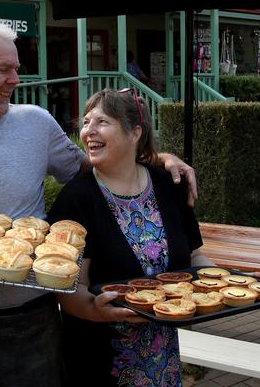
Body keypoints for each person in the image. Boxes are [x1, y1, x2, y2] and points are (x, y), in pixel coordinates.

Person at [0, 18, 197, 387]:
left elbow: (98, 167)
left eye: (17, 70)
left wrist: (160, 159)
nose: (16, 80)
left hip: (33, 317)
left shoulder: (35, 124)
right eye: (4, 69)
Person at [47, 87, 213, 386]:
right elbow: (69, 289)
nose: (88, 131)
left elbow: (195, 256)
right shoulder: (76, 199)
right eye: (86, 122)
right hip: (98, 360)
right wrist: (97, 312)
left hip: (161, 359)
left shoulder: (168, 184)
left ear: (134, 133)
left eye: (101, 122)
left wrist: (226, 282)